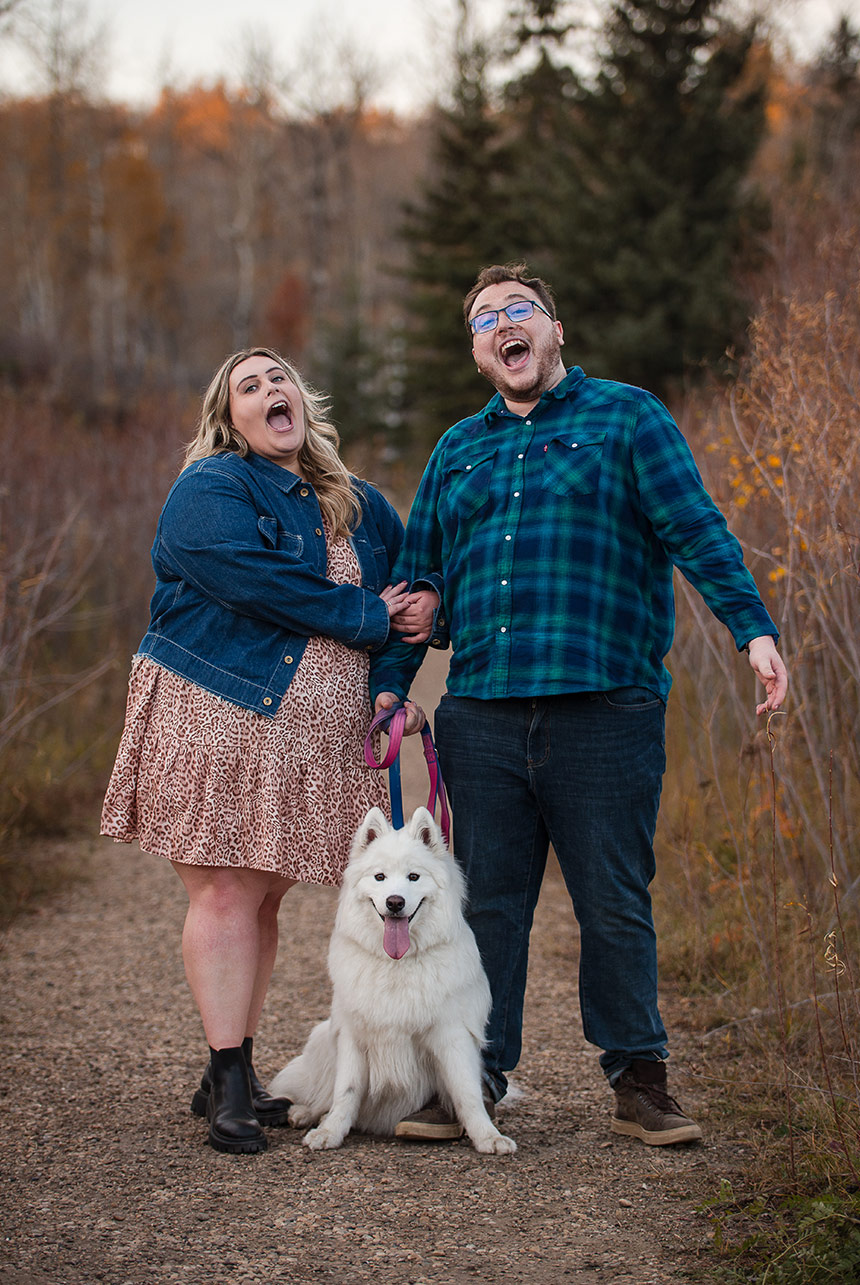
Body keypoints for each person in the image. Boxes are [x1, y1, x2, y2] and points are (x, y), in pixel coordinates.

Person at [371, 264, 788, 1147]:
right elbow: (419, 583)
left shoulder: (628, 417)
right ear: (479, 353)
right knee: (486, 905)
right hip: (482, 713)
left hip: (607, 708)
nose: (503, 325)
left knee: (612, 900)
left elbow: (696, 529)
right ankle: (471, 1076)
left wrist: (751, 629)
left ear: (555, 330)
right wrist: (392, 687)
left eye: (520, 309)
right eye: (485, 318)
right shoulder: (457, 448)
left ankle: (640, 1080)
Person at [101, 346, 437, 1154]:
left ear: (301, 398)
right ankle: (227, 1076)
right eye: (247, 386)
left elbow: (411, 594)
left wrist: (395, 673)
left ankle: (236, 1064)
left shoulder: (360, 502)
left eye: (277, 376)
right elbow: (256, 581)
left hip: (317, 736)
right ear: (231, 418)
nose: (268, 389)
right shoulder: (212, 487)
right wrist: (368, 616)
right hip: (218, 711)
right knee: (222, 891)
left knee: (263, 898)